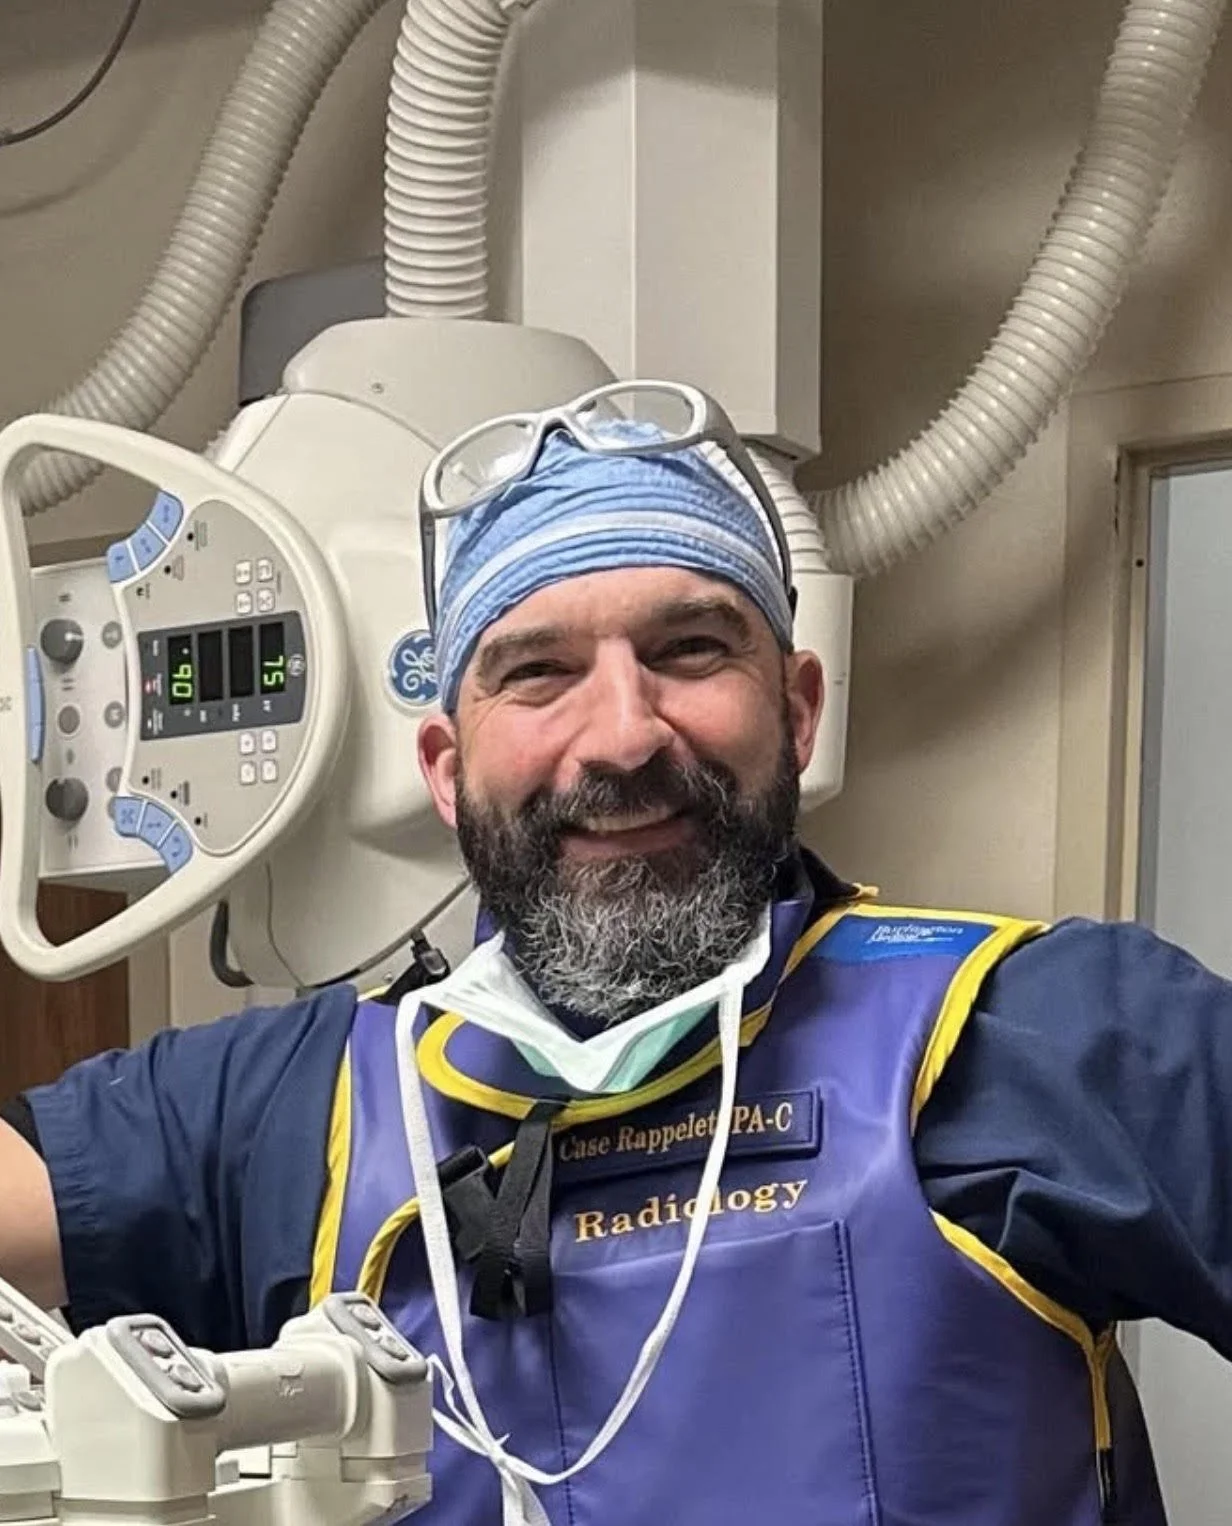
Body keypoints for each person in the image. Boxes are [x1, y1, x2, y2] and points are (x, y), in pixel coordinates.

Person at [2, 379, 1231, 1526]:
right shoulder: (286, 1110)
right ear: (447, 768)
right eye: (535, 673)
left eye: (690, 649)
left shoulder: (1049, 1034)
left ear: (797, 707)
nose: (623, 734)